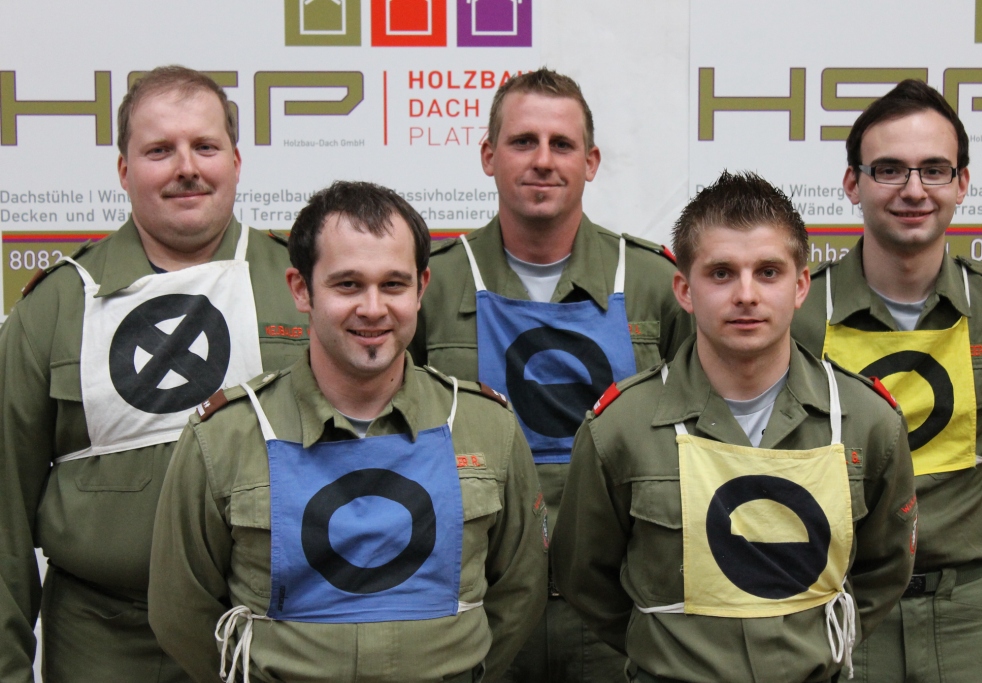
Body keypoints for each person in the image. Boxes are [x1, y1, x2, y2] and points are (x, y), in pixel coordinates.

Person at [148, 181, 548, 683]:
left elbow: (520, 593)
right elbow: (181, 613)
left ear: (421, 288)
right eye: (348, 285)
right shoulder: (225, 438)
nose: (374, 308)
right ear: (301, 290)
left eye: (394, 284)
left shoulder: (486, 427)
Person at [0, 65, 309, 682]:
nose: (186, 168)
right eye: (159, 150)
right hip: (101, 643)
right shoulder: (56, 306)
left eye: (205, 147)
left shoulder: (304, 288)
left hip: (273, 633)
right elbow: (3, 513)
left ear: (236, 162)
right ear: (124, 171)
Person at [552, 171, 918, 683]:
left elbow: (885, 569)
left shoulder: (867, 422)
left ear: (800, 286)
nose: (746, 294)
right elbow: (585, 577)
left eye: (768, 272)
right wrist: (670, 650)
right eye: (721, 273)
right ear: (684, 289)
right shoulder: (620, 429)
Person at [411, 67, 690, 683]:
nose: (542, 161)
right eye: (523, 142)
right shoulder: (430, 286)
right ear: (489, 156)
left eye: (561, 144)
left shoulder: (655, 284)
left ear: (590, 162)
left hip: (616, 615)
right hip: (477, 613)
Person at [791, 79, 982, 682]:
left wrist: (950, 517)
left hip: (966, 612)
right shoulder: (797, 317)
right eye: (889, 169)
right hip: (837, 605)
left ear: (962, 183)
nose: (914, 190)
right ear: (853, 183)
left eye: (934, 170)